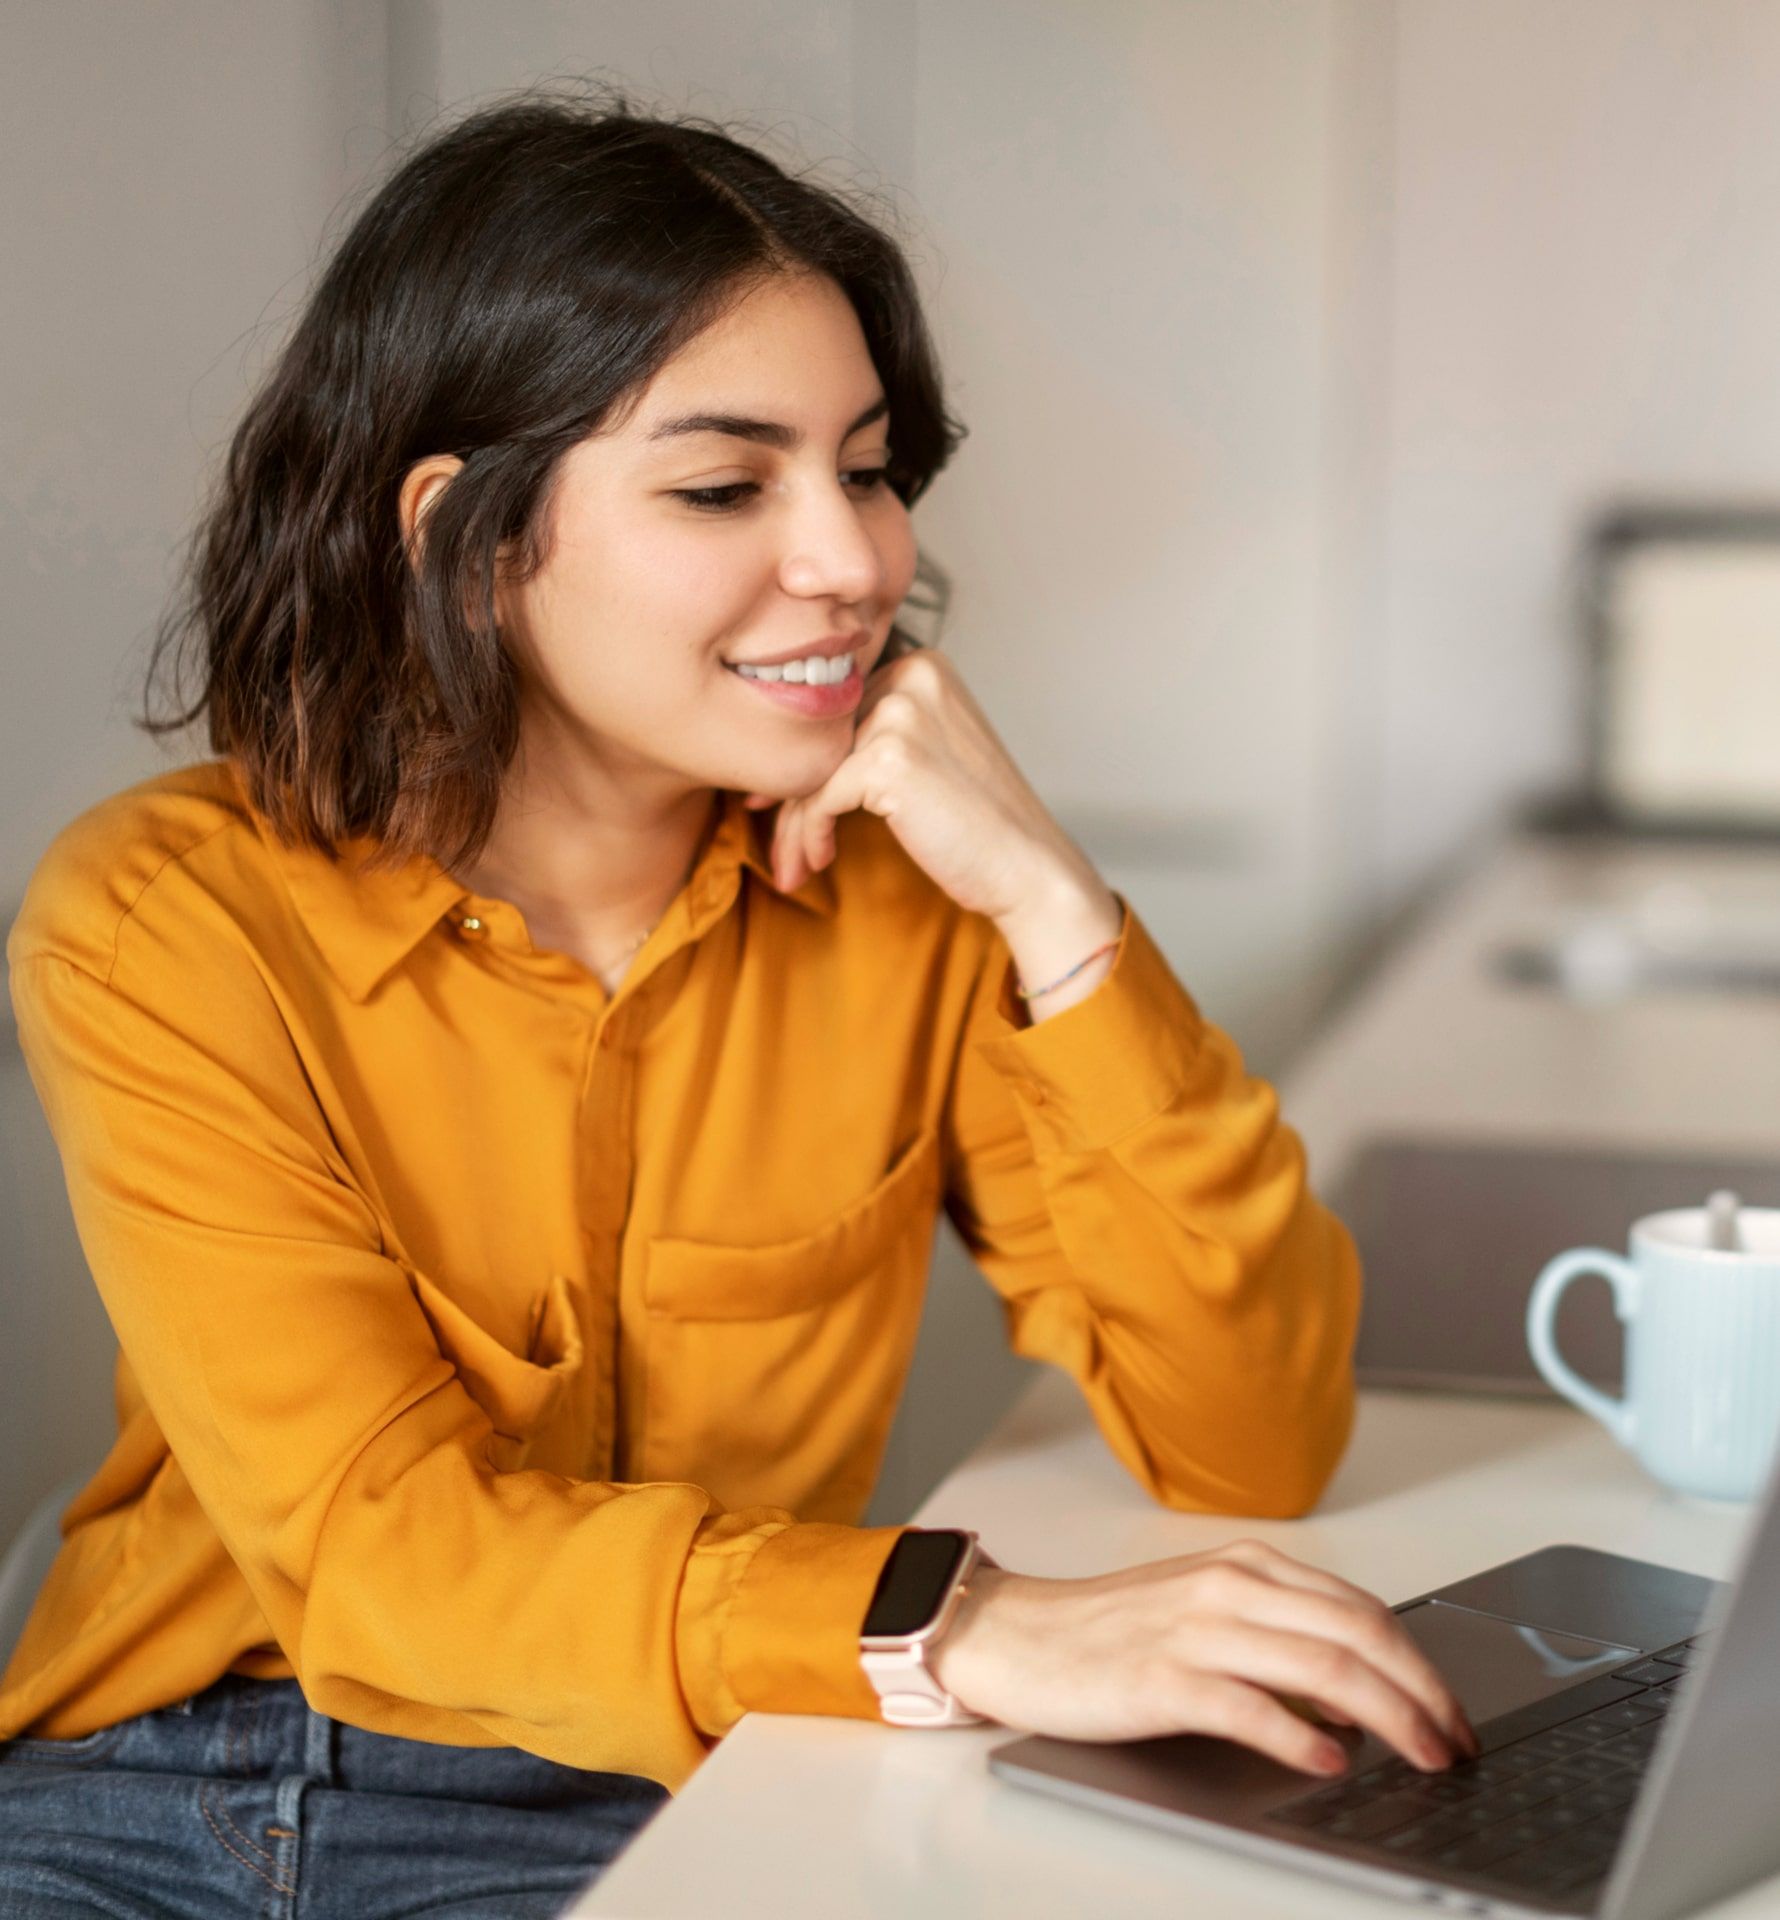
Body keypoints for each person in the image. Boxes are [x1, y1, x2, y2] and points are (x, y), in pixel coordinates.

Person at [0, 84, 1476, 1918]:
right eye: (725, 484)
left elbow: (1252, 1434)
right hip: (181, 1781)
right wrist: (962, 1623)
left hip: (686, 1788)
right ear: (468, 538)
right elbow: (385, 1559)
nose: (855, 560)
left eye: (863, 467)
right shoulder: (165, 921)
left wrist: (1051, 902)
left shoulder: (914, 901)